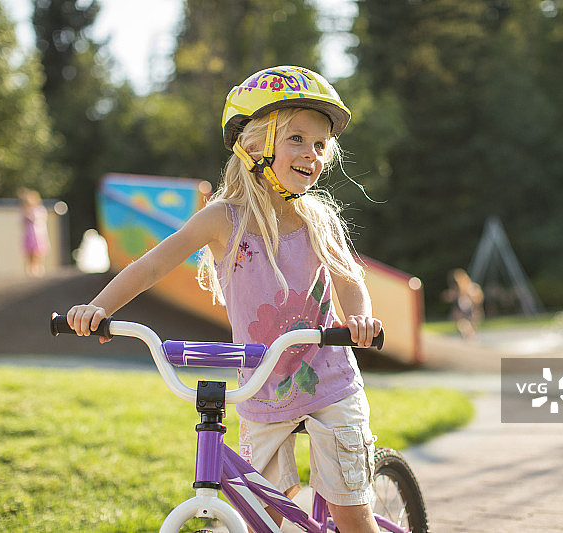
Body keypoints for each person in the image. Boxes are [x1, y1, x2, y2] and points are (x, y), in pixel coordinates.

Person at [65, 66, 382, 532]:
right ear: (255, 146)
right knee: (263, 519)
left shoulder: (318, 220)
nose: (311, 155)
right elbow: (152, 265)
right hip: (261, 391)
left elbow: (349, 280)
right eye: (296, 138)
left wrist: (360, 319)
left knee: (352, 517)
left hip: (329, 383)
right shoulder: (222, 219)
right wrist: (101, 307)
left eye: (319, 145)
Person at [443, 268, 484, 339]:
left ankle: (470, 334)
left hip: (471, 313)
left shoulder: (471, 288)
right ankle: (467, 334)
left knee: (467, 327)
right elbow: (446, 297)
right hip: (461, 315)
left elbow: (478, 300)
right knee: (462, 324)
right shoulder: (456, 292)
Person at [18, 187, 50, 277]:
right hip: (28, 235)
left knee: (38, 251)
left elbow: (39, 219)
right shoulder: (24, 211)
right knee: (29, 252)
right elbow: (21, 222)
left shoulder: (39, 210)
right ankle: (30, 268)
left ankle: (38, 267)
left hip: (37, 235)